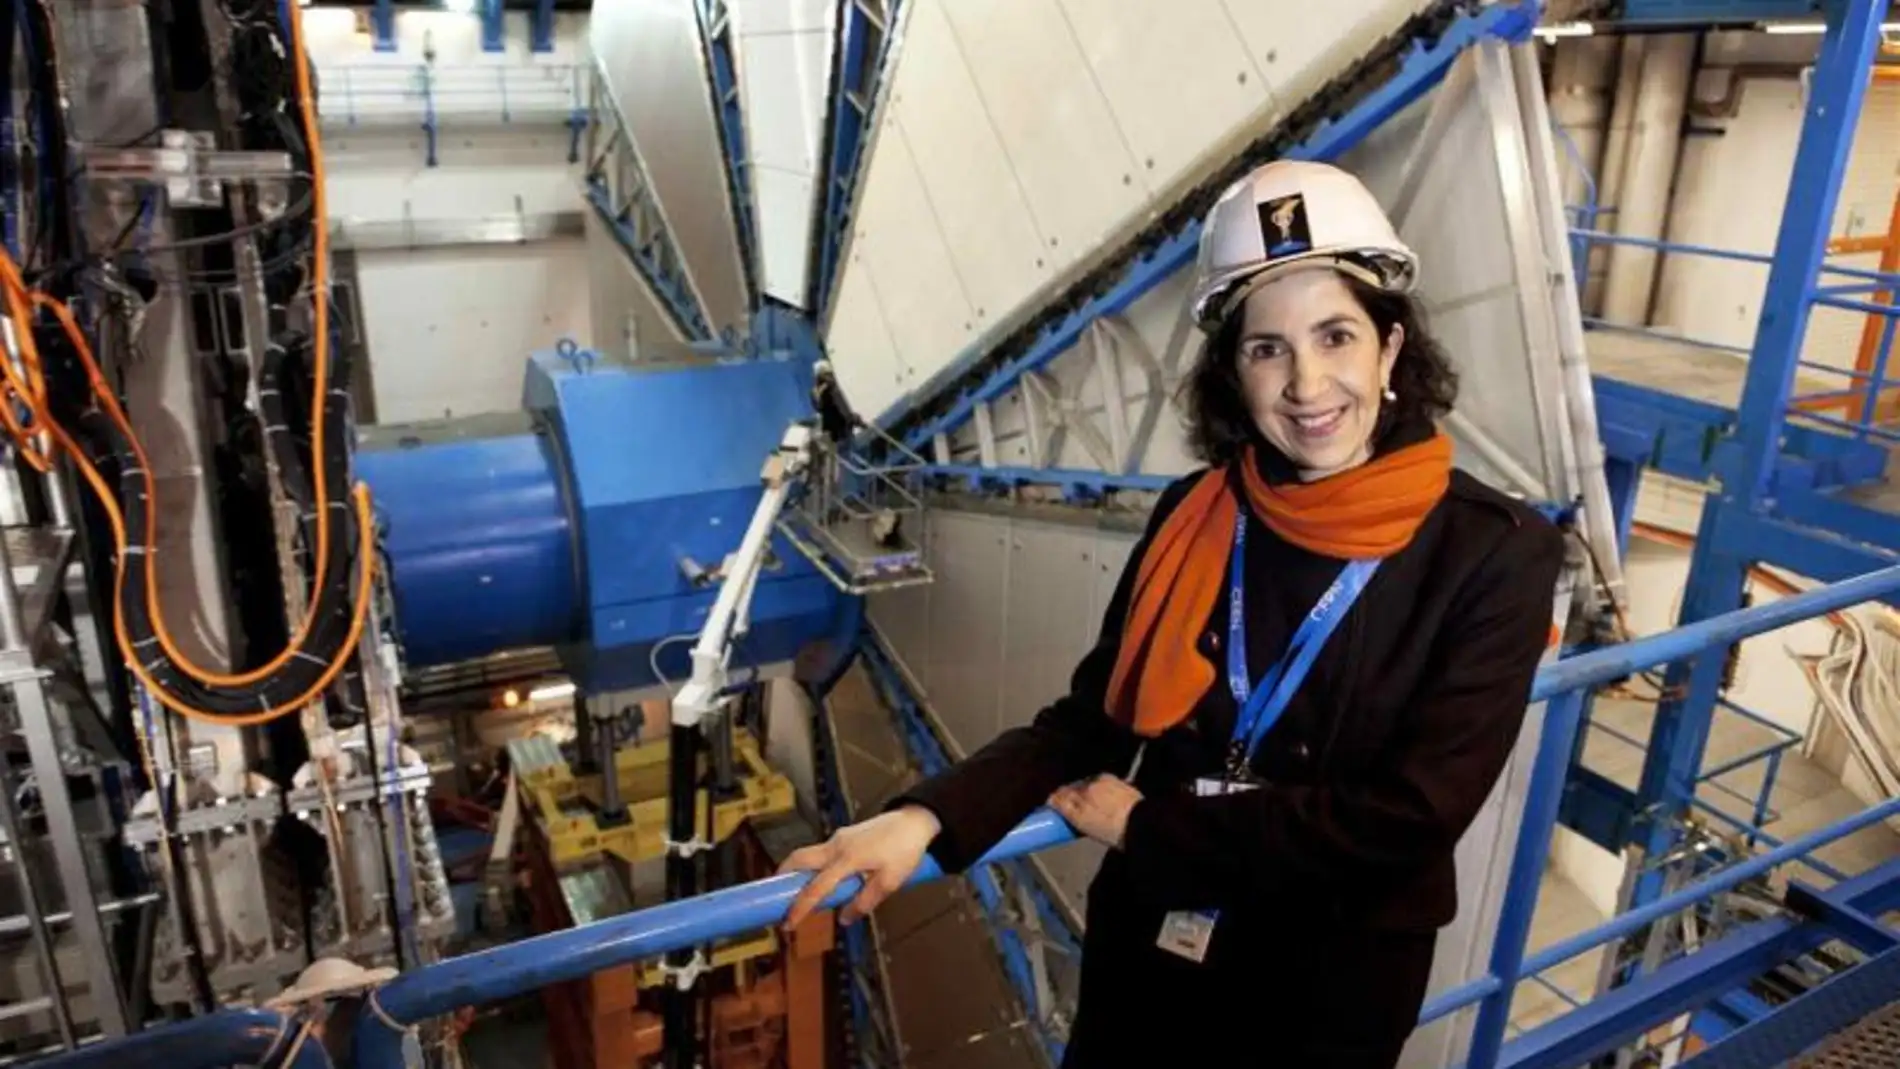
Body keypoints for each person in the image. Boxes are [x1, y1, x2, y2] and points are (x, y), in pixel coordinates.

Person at [780, 160, 1567, 1067]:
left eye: (1336, 336)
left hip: (1327, 981)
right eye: (1267, 348)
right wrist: (924, 819)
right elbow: (1092, 721)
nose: (1308, 385)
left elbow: (1405, 819)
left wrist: (1151, 829)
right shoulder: (1199, 513)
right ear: (1235, 372)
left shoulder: (1492, 554)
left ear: (1389, 350)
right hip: (1153, 956)